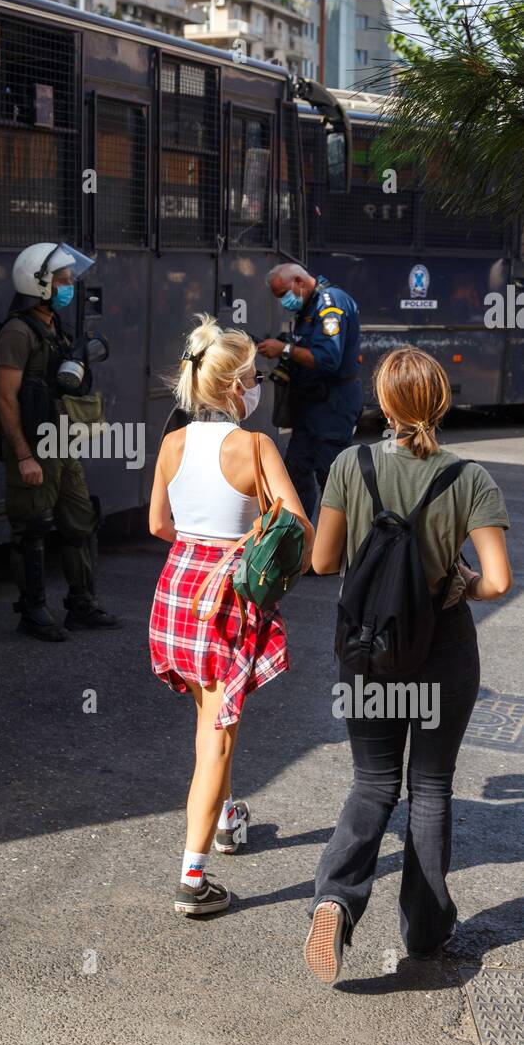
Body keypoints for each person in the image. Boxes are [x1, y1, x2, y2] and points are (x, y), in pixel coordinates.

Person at [305, 346, 512, 982]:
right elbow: (499, 582)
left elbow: (320, 562)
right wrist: (459, 583)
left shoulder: (349, 463)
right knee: (430, 786)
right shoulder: (469, 477)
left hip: (368, 649)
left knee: (372, 784)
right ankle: (424, 934)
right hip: (442, 648)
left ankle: (336, 898)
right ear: (441, 403)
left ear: (385, 404)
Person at [149, 316, 314, 916]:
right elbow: (299, 530)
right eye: (252, 378)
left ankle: (223, 819)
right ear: (232, 386)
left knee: (209, 720)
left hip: (177, 588)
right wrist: (248, 538)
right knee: (215, 740)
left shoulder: (171, 443)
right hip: (224, 597)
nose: (257, 387)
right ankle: (193, 880)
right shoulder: (254, 446)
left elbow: (157, 526)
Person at [0, 241, 119, 643]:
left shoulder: (54, 326)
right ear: (40, 283)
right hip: (34, 447)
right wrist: (23, 455)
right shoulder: (17, 332)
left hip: (62, 445)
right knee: (31, 528)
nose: (69, 287)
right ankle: (32, 611)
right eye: (62, 280)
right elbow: (5, 397)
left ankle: (81, 603)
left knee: (80, 520)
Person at [257, 262, 362, 522]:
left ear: (299, 282)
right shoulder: (308, 306)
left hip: (332, 406)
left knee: (331, 480)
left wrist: (284, 350)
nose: (283, 302)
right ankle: (301, 540)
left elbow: (328, 359)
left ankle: (335, 553)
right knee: (296, 472)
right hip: (309, 407)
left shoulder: (330, 304)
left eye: (283, 294)